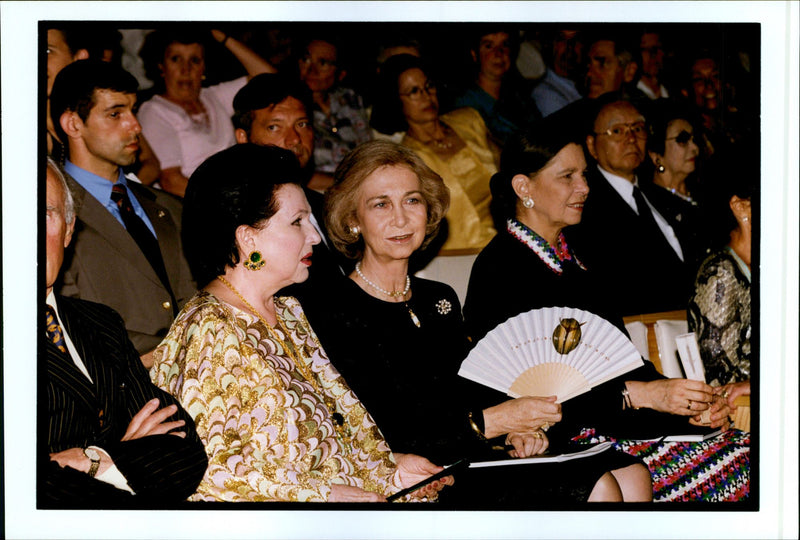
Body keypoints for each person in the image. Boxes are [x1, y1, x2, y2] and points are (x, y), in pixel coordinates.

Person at [302, 140, 653, 506]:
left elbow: (471, 390)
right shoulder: (334, 308)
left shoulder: (438, 299)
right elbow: (384, 430)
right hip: (419, 473)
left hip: (472, 452)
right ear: (352, 219)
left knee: (632, 473)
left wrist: (515, 431)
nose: (401, 218)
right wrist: (493, 422)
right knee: (599, 485)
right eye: (381, 204)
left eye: (412, 200)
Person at [463, 126, 749, 502]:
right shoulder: (499, 269)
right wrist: (645, 395)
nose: (584, 187)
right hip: (567, 441)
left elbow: (622, 363)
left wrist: (683, 404)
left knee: (752, 452)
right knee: (745, 469)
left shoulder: (579, 261)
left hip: (618, 428)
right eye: (567, 176)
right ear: (523, 187)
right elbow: (524, 396)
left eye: (584, 175)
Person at [150, 144, 448, 502]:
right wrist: (324, 495)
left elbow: (328, 441)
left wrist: (391, 471)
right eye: (297, 222)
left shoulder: (289, 311)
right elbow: (205, 470)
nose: (315, 236)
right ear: (248, 237)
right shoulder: (210, 329)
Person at [43, 157, 207, 507]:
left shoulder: (101, 324)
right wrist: (126, 458)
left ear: (69, 230)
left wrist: (94, 459)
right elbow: (23, 485)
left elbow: (184, 448)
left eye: (45, 214)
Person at [49, 60, 197, 364]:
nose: (136, 126)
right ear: (73, 124)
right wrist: (175, 355)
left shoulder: (170, 208)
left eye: (133, 111)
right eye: (115, 114)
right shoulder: (53, 216)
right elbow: (68, 323)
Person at [567, 96, 691, 316]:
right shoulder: (586, 210)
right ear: (592, 145)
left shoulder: (661, 197)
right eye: (617, 131)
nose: (631, 138)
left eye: (638, 128)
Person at [231, 73, 351, 297]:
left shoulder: (326, 206)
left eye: (302, 124)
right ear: (243, 137)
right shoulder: (240, 218)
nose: (294, 139)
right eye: (274, 127)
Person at [371, 54, 497, 252]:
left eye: (429, 86)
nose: (426, 96)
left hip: (505, 239)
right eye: (414, 91)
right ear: (396, 101)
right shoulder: (407, 159)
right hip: (457, 254)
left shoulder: (470, 121)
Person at [137, 28, 275, 196]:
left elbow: (269, 79)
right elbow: (171, 181)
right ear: (161, 66)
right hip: (192, 202)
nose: (185, 69)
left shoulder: (214, 96)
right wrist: (227, 202)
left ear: (204, 67)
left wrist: (224, 38)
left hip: (234, 192)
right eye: (175, 59)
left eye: (194, 60)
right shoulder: (154, 111)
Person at [688, 170, 753, 395]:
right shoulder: (720, 275)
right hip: (743, 410)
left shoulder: (769, 267)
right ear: (740, 207)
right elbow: (718, 381)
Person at [297, 36, 372, 182]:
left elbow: (368, 150)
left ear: (341, 74)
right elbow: (299, 176)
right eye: (306, 60)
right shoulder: (294, 107)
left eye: (323, 63)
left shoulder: (349, 98)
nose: (312, 70)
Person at [453, 28, 540, 147]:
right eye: (489, 46)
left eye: (505, 44)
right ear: (474, 54)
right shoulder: (465, 106)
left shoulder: (520, 98)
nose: (499, 53)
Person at [643, 101, 704, 270]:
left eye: (694, 139)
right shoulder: (652, 204)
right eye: (682, 140)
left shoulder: (703, 191)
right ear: (656, 154)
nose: (694, 148)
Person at [531, 28, 584, 118]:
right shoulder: (546, 94)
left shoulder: (586, 85)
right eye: (562, 39)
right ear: (550, 45)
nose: (570, 46)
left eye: (576, 39)